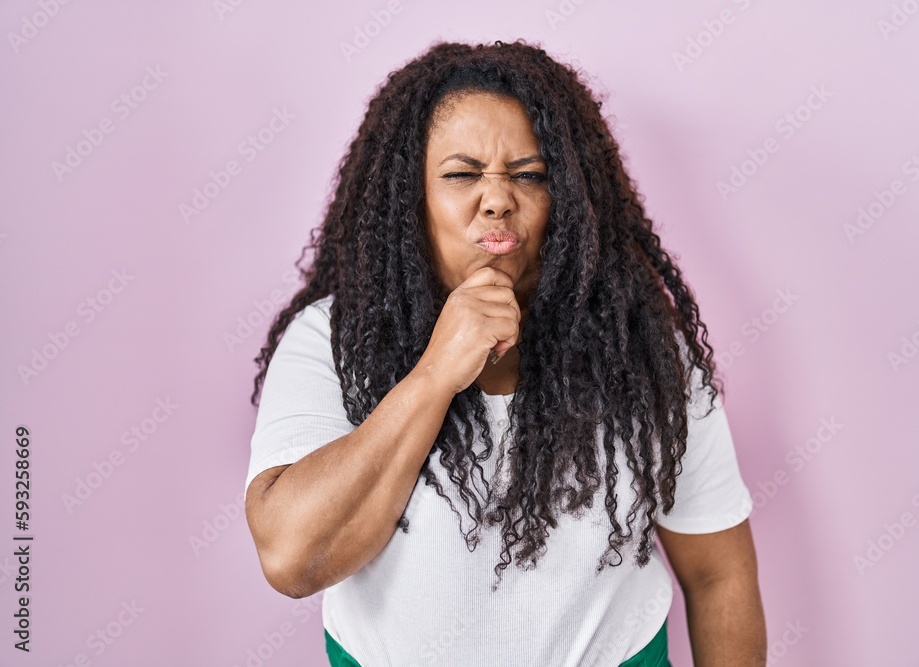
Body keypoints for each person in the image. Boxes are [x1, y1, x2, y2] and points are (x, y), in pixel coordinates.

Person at [243, 39, 766, 667]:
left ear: (568, 199)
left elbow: (718, 575)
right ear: (409, 198)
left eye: (530, 175)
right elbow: (291, 559)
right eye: (462, 174)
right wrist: (437, 372)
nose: (497, 199)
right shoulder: (330, 341)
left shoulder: (643, 350)